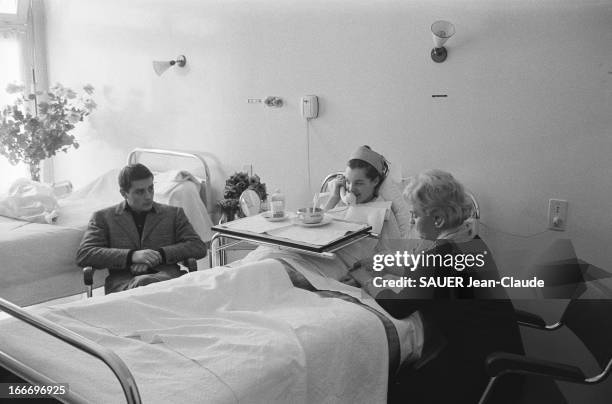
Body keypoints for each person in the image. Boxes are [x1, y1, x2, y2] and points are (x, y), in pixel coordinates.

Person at [349, 169, 525, 404]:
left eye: (415, 215)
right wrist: (386, 265)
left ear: (438, 219)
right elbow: (426, 277)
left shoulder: (440, 257)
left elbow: (396, 305)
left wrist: (366, 279)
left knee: (388, 390)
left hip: (485, 371)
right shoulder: (471, 241)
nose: (412, 221)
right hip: (500, 357)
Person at [76, 163, 207, 294]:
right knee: (143, 283)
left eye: (151, 188)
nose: (148, 196)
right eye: (140, 192)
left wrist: (158, 255)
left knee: (148, 284)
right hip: (124, 285)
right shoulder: (103, 218)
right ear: (123, 193)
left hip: (168, 280)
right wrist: (132, 256)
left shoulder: (173, 214)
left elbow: (197, 247)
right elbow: (85, 254)